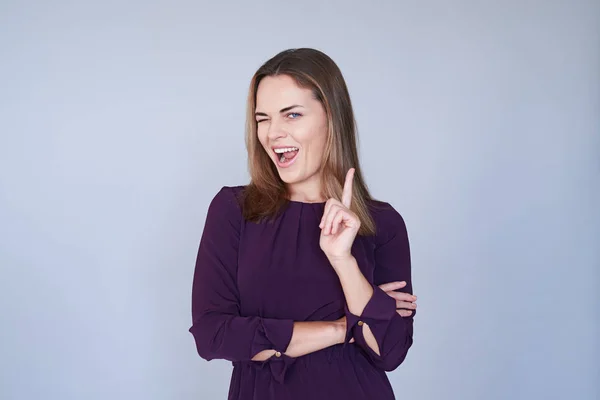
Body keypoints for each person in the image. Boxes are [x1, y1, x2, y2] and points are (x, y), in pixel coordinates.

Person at [188, 48, 417, 400]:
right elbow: (213, 335)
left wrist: (344, 262)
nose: (273, 133)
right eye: (262, 118)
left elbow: (389, 352)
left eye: (292, 115)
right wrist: (345, 327)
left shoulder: (381, 223)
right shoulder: (234, 210)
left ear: (332, 117)